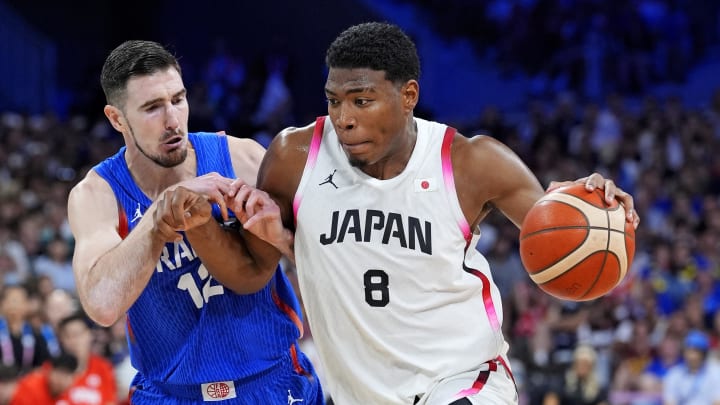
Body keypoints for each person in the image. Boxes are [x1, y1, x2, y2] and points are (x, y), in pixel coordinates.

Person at [208, 22, 637, 404]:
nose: (344, 119)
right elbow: (250, 271)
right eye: (334, 101)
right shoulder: (294, 157)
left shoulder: (472, 161)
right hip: (360, 392)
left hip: (463, 381)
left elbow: (557, 225)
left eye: (362, 101)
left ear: (408, 95)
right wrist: (194, 223)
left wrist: (599, 216)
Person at [66, 40, 322, 404]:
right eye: (153, 108)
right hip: (171, 394)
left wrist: (279, 237)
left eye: (178, 99)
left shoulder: (242, 157)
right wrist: (159, 215)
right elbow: (102, 306)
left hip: (273, 383)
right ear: (116, 118)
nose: (172, 120)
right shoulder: (97, 195)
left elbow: (327, 260)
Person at [54, 311, 117, 405]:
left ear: (89, 335)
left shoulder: (103, 368)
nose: (73, 341)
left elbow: (110, 401)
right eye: (67, 336)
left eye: (77, 335)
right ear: (61, 341)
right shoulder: (51, 370)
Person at [663, 330, 720, 405]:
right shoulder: (674, 374)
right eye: (688, 350)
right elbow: (669, 402)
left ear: (704, 353)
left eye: (695, 351)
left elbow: (717, 401)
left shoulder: (716, 372)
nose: (691, 355)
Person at [9, 352, 78, 405]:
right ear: (49, 371)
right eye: (59, 374)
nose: (61, 381)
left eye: (66, 376)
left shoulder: (71, 394)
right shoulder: (30, 388)